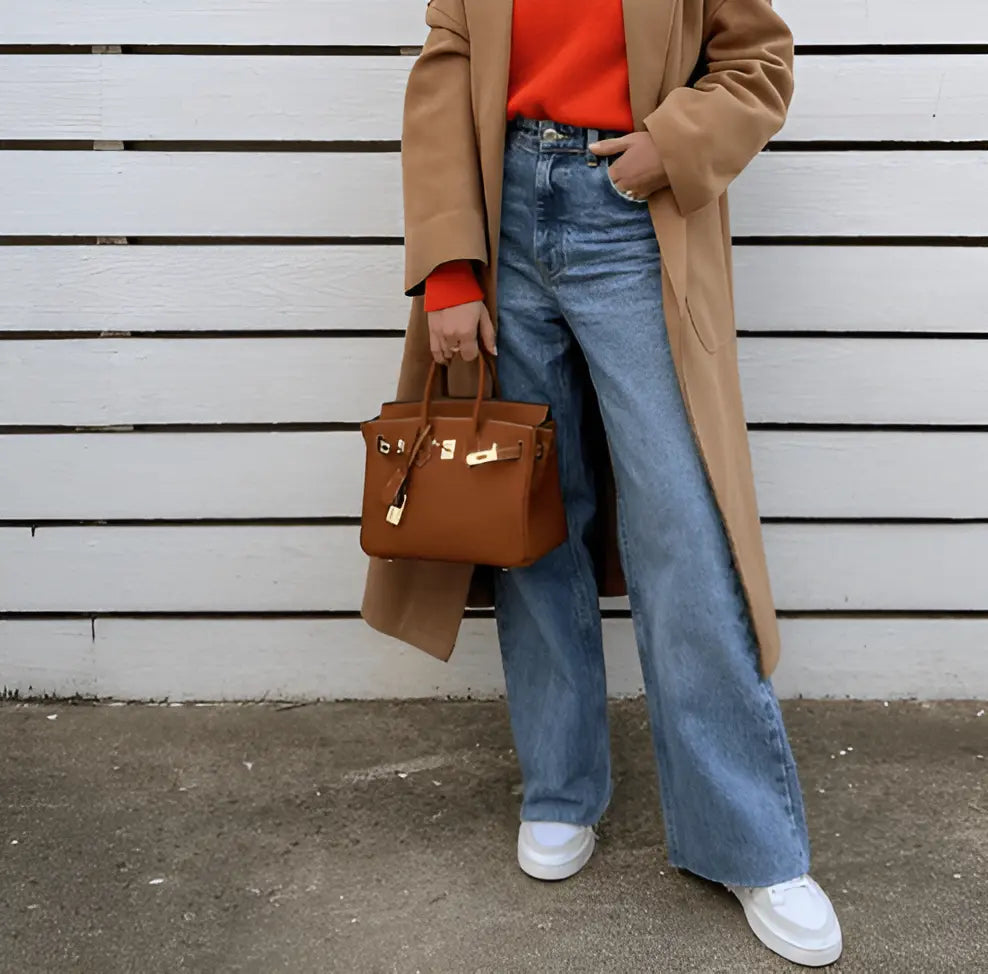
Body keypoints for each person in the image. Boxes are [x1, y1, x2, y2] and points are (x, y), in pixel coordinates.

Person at [362, 0, 843, 966]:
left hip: (633, 219)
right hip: (504, 214)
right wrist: (449, 267)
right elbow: (448, 68)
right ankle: (559, 787)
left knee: (685, 531)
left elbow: (757, 60)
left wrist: (673, 145)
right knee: (529, 514)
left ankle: (750, 842)